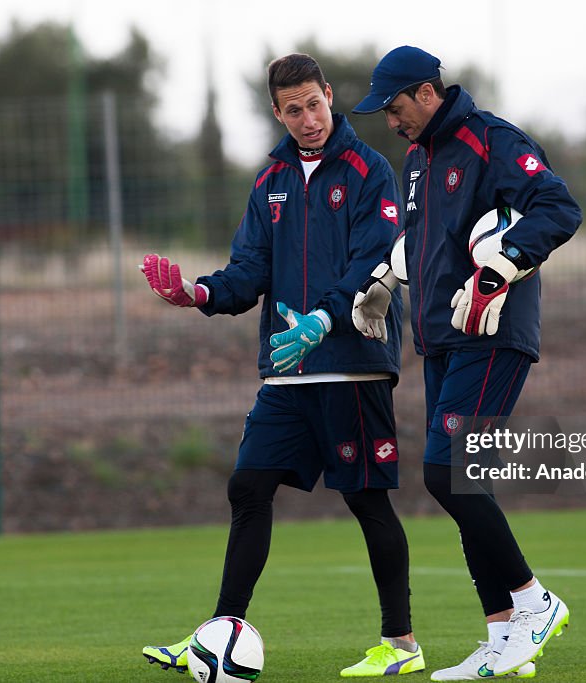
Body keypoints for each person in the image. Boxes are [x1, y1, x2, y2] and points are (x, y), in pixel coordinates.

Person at [139, 53, 425, 678]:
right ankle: (218, 633)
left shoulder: (370, 171)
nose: (307, 119)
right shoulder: (270, 180)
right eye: (292, 110)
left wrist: (323, 320)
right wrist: (200, 293)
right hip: (288, 372)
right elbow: (250, 270)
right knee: (247, 487)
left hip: (352, 364)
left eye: (314, 104)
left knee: (367, 501)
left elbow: (370, 264)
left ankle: (401, 645)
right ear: (278, 112)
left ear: (329, 96)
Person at [350, 46, 582, 681]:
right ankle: (503, 635)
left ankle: (535, 602)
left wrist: (502, 269)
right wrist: (382, 281)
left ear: (427, 94)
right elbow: (428, 241)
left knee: (447, 473)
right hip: (440, 339)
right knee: (459, 478)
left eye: (395, 108)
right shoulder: (418, 159)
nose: (390, 122)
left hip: (493, 333)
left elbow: (558, 210)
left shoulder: (493, 139)